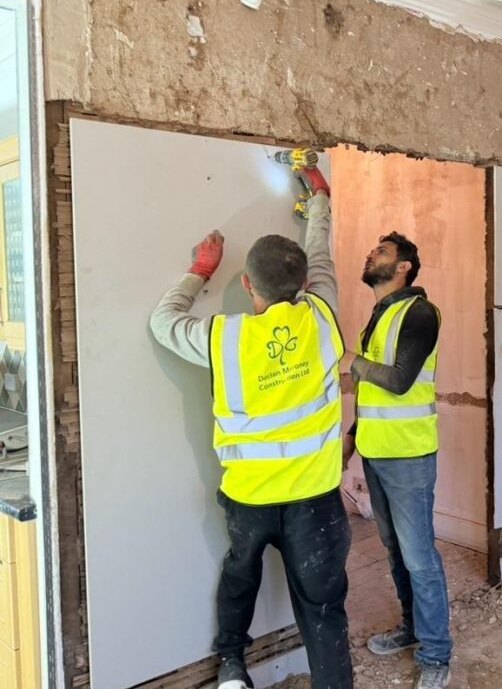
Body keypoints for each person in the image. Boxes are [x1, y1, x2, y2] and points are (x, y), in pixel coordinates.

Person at [149, 177, 355, 689]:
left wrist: (200, 270)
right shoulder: (322, 316)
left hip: (249, 499)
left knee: (240, 578)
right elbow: (320, 253)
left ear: (246, 284)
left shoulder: (223, 337)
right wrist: (319, 199)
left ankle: (232, 667)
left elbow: (163, 321)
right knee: (324, 610)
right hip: (315, 499)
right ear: (304, 283)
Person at [345, 232, 452, 689]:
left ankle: (436, 654)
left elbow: (400, 380)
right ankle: (412, 629)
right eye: (374, 250)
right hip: (377, 451)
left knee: (420, 557)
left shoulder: (419, 313)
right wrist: (352, 438)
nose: (372, 254)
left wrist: (351, 360)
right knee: (395, 551)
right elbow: (372, 395)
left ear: (404, 266)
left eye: (383, 252)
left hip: (409, 456)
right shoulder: (380, 315)